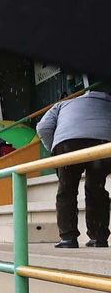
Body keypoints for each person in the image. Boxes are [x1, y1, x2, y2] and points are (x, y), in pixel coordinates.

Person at [36, 88, 111, 248]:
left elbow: (43, 127)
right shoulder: (108, 102)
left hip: (67, 143)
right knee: (96, 189)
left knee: (66, 190)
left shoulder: (64, 104)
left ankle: (68, 238)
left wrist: (55, 150)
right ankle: (99, 238)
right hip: (104, 143)